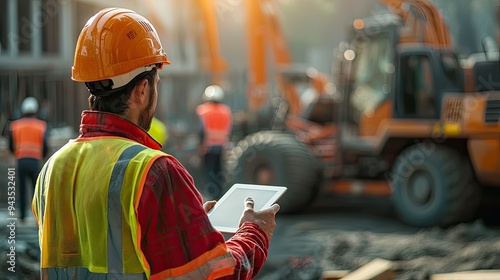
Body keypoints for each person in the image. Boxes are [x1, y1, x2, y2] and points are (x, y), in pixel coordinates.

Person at [32, 7, 279, 280]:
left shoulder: (52, 169)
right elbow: (218, 276)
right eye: (156, 83)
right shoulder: (154, 172)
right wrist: (254, 231)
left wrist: (186, 230)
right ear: (141, 90)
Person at [9, 96, 48, 222]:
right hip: (35, 161)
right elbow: (45, 145)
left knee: (21, 189)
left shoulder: (15, 125)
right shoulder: (41, 125)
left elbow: (11, 146)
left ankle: (22, 216)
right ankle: (38, 217)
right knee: (36, 190)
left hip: (21, 161)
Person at [196, 85, 233, 199]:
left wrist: (200, 144)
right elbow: (230, 129)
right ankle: (219, 196)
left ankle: (211, 197)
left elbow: (201, 130)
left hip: (208, 147)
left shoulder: (203, 110)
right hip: (222, 146)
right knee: (219, 172)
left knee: (209, 172)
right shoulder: (226, 110)